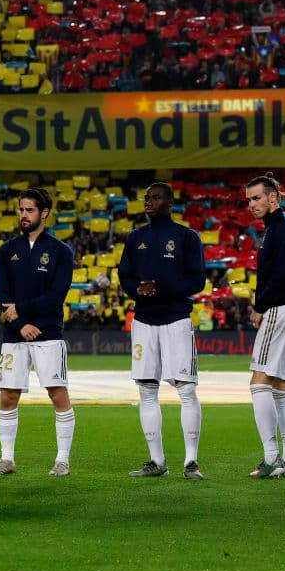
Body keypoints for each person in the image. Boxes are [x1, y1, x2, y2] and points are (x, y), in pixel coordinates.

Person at [117, 182, 207, 480]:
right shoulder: (135, 238)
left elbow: (198, 281)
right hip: (143, 322)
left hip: (176, 320)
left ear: (170, 202)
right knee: (146, 390)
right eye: (146, 197)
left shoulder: (186, 237)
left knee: (186, 388)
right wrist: (137, 290)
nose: (149, 202)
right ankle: (157, 461)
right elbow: (125, 275)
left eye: (155, 197)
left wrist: (163, 287)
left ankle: (191, 462)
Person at [0, 187, 75, 477]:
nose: (23, 215)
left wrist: (19, 311)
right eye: (21, 210)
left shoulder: (61, 252)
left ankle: (62, 460)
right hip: (15, 336)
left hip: (48, 333)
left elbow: (55, 297)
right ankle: (7, 459)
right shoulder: (7, 250)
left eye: (29, 210)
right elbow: (3, 295)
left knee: (57, 394)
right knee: (7, 396)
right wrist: (19, 323)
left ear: (44, 213)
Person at [244, 173, 285, 478]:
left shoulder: (279, 228)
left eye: (257, 198)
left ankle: (272, 458)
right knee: (281, 386)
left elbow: (281, 275)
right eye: (249, 200)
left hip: (280, 309)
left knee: (259, 383)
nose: (252, 205)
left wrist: (259, 307)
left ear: (273, 197)